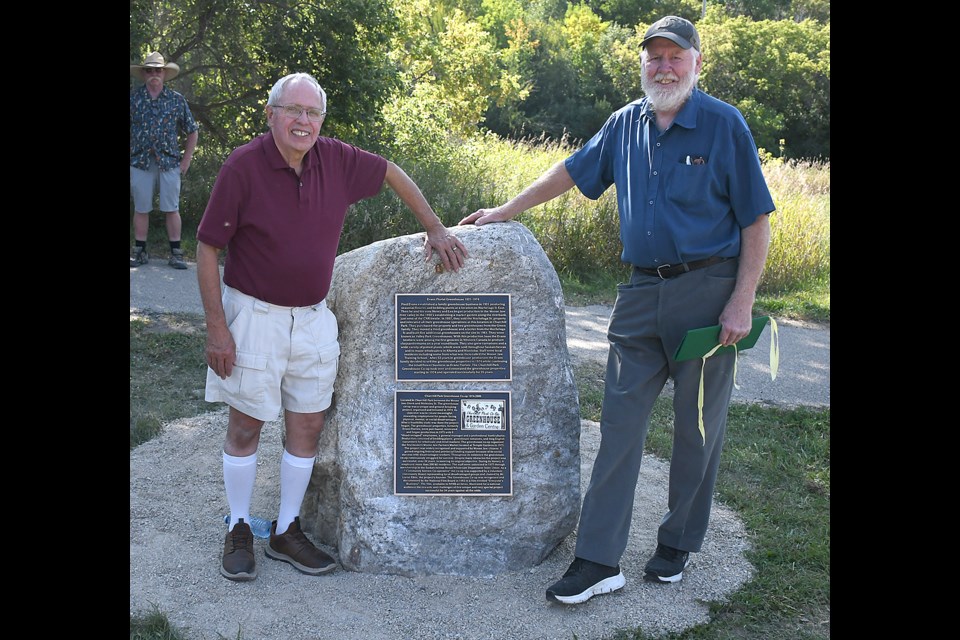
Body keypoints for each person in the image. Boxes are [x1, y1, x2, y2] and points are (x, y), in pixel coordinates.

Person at [459, 16, 775, 604]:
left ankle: (678, 541)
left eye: (674, 57)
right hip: (638, 297)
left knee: (696, 427)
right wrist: (507, 209)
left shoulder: (724, 126)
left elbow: (756, 220)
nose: (663, 67)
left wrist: (742, 300)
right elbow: (572, 173)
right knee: (618, 430)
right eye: (653, 57)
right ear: (643, 65)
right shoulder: (625, 125)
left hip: (708, 294)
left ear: (696, 63)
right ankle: (599, 559)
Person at [197, 72, 469, 582]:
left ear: (321, 119)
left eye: (313, 113)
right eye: (293, 111)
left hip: (314, 318)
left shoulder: (336, 159)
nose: (303, 121)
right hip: (254, 316)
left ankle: (285, 529)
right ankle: (237, 527)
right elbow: (208, 246)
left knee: (308, 424)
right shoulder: (243, 167)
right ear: (272, 113)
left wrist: (435, 227)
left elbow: (391, 171)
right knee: (246, 424)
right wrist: (217, 327)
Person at [130, 51, 200, 269]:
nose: (154, 74)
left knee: (172, 208)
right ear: (144, 74)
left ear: (164, 73)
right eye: (149, 70)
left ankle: (176, 253)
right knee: (141, 208)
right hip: (140, 162)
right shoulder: (133, 99)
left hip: (169, 162)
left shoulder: (176, 100)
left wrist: (186, 160)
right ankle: (140, 250)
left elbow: (192, 131)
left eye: (157, 70)